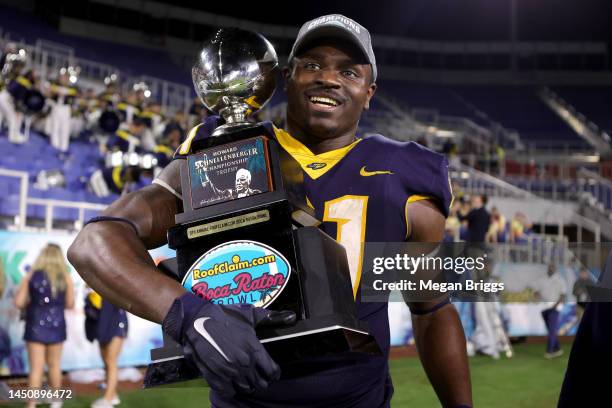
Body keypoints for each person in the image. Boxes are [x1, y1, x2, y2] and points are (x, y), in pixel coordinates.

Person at [69, 15, 471, 407]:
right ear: (286, 77)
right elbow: (94, 242)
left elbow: (431, 308)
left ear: (370, 92)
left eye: (349, 72)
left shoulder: (403, 174)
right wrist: (191, 315)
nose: (328, 78)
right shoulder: (223, 154)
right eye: (311, 65)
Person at [13, 244, 75, 408]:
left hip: (34, 325)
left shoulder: (32, 275)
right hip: (57, 326)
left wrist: (31, 300)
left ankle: (31, 404)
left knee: (36, 368)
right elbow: (70, 304)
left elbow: (18, 302)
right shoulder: (65, 277)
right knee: (54, 366)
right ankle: (56, 401)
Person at [84, 290, 128, 408]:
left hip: (117, 323)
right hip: (102, 325)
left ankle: (107, 400)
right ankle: (113, 395)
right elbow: (91, 307)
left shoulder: (114, 282)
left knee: (110, 361)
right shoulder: (90, 286)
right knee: (106, 362)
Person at [533, 264, 567, 359]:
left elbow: (563, 295)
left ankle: (549, 351)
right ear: (548, 268)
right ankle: (558, 349)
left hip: (555, 307)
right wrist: (536, 295)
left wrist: (555, 306)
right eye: (550, 267)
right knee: (550, 329)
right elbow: (536, 291)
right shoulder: (542, 279)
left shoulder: (560, 279)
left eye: (553, 267)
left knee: (552, 329)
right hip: (544, 307)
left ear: (555, 269)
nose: (551, 269)